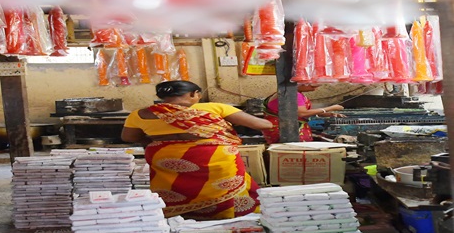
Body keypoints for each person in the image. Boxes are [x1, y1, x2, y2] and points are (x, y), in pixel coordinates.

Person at [121, 80, 273, 220]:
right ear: (194, 94)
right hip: (213, 158)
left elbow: (128, 137)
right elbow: (263, 125)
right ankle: (227, 218)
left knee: (176, 190)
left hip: (167, 160)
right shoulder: (214, 108)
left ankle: (180, 219)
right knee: (224, 189)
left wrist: (159, 142)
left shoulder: (140, 113)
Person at [261, 84, 345, 144]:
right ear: (300, 83)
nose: (314, 89)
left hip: (283, 128)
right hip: (286, 131)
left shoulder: (286, 92)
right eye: (312, 86)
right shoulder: (293, 94)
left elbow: (293, 111)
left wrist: (326, 114)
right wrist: (330, 108)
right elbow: (302, 113)